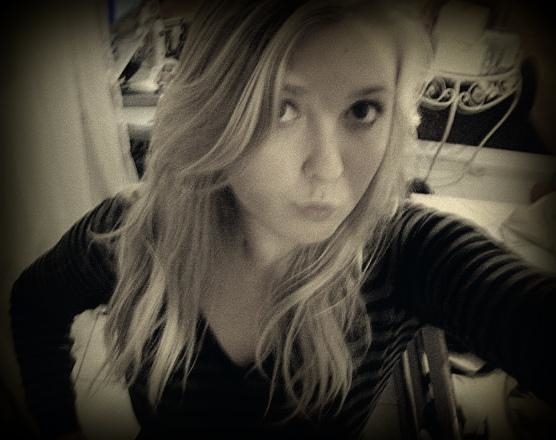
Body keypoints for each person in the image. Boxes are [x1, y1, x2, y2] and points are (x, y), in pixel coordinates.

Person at [10, 0, 556, 439]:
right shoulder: (134, 234)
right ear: (214, 112)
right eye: (283, 108)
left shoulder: (408, 251)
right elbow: (34, 304)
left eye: (362, 110)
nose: (328, 168)